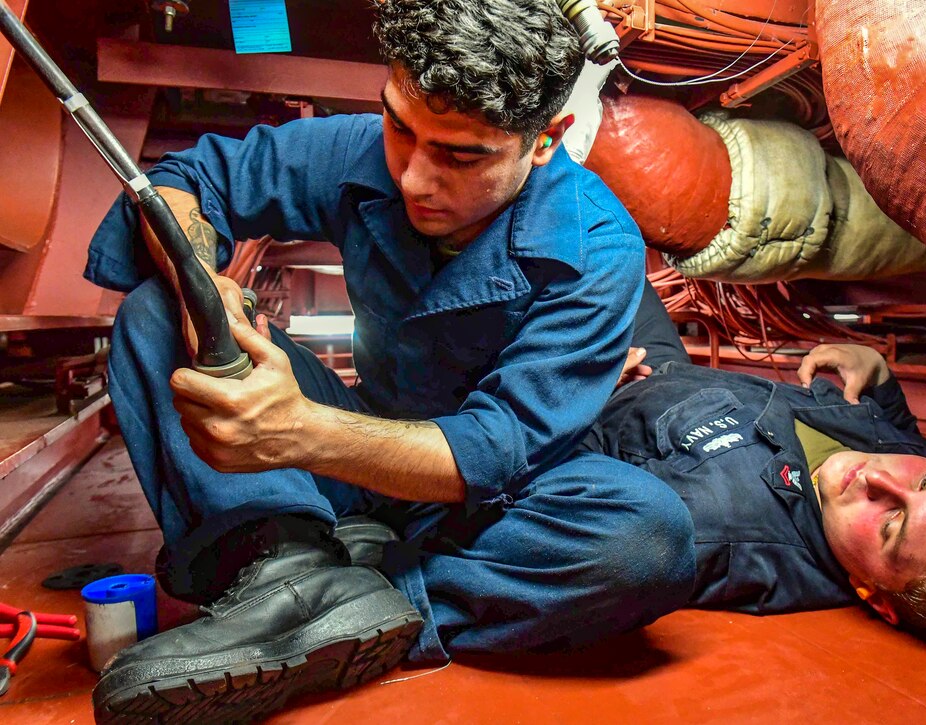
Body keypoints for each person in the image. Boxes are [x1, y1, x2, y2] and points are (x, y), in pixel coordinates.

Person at [82, 2, 695, 722]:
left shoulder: (597, 249)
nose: (413, 178)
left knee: (647, 539)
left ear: (546, 140)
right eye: (400, 126)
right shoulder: (359, 152)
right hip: (355, 463)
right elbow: (186, 180)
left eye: (462, 155)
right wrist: (200, 283)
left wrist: (299, 432)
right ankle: (283, 566)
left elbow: (494, 447)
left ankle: (349, 602)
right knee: (156, 314)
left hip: (496, 507)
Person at [583, 280, 926, 655]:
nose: (878, 477)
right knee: (606, 233)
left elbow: (555, 482)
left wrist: (578, 390)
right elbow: (905, 434)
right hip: (670, 364)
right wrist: (878, 374)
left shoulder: (717, 532)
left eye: (891, 524)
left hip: (606, 386)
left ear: (876, 597)